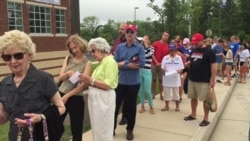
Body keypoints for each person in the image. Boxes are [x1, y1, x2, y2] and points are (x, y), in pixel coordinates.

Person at [0, 30, 66, 141]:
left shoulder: (43, 78)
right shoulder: (4, 84)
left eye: (18, 55)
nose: (13, 61)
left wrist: (40, 117)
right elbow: (4, 117)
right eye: (7, 57)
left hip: (40, 137)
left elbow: (61, 107)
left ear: (29, 55)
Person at [78, 37, 118, 141]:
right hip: (97, 97)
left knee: (103, 128)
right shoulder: (102, 62)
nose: (92, 54)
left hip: (103, 97)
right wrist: (86, 80)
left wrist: (91, 80)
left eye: (93, 51)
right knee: (97, 128)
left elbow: (109, 84)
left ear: (101, 49)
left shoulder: (110, 62)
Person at [114, 24, 145, 140]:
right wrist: (128, 64)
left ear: (136, 34)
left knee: (131, 107)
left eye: (132, 33)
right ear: (125, 34)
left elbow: (141, 63)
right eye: (128, 32)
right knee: (115, 106)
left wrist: (123, 64)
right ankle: (111, 128)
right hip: (121, 82)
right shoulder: (120, 47)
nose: (129, 35)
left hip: (133, 83)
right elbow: (114, 63)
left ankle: (130, 130)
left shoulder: (139, 48)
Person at [58, 35, 92, 141]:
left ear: (81, 45)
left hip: (76, 97)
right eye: (71, 48)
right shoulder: (68, 58)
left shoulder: (88, 63)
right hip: (61, 93)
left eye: (75, 47)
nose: (74, 50)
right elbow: (61, 77)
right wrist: (68, 73)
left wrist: (68, 96)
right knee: (56, 124)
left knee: (76, 128)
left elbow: (83, 85)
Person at [184, 33, 216, 127]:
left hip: (204, 80)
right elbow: (192, 60)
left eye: (196, 42)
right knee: (193, 98)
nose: (194, 44)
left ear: (202, 41)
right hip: (192, 78)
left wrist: (212, 79)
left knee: (205, 100)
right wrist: (188, 63)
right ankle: (193, 114)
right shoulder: (193, 50)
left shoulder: (209, 51)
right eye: (193, 43)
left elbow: (213, 66)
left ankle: (206, 118)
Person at [110, 22, 128, 125]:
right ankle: (114, 117)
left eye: (122, 29)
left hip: (125, 74)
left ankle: (125, 116)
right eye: (119, 29)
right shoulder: (117, 41)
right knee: (116, 97)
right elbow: (113, 53)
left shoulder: (130, 42)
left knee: (125, 98)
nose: (120, 31)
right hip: (115, 73)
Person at [161, 43, 184, 112]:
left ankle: (177, 106)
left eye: (173, 50)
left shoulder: (179, 58)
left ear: (175, 50)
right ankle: (166, 106)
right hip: (167, 78)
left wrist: (179, 70)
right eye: (170, 50)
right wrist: (164, 69)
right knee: (166, 93)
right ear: (169, 50)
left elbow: (182, 67)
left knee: (176, 93)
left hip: (175, 78)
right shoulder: (165, 57)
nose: (172, 51)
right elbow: (162, 67)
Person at [138, 35, 155, 114]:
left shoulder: (151, 48)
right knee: (141, 90)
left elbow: (148, 55)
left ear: (149, 41)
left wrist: (146, 45)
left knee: (147, 90)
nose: (145, 40)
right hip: (139, 71)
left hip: (147, 72)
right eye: (144, 39)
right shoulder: (140, 48)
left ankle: (151, 106)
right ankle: (142, 106)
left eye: (147, 39)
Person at [151, 31, 169, 100]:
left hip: (162, 65)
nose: (165, 36)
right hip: (154, 64)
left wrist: (161, 63)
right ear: (162, 35)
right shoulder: (155, 43)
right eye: (164, 35)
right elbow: (152, 54)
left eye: (167, 36)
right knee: (154, 80)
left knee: (161, 80)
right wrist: (156, 62)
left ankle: (161, 94)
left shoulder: (167, 46)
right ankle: (153, 93)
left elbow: (167, 57)